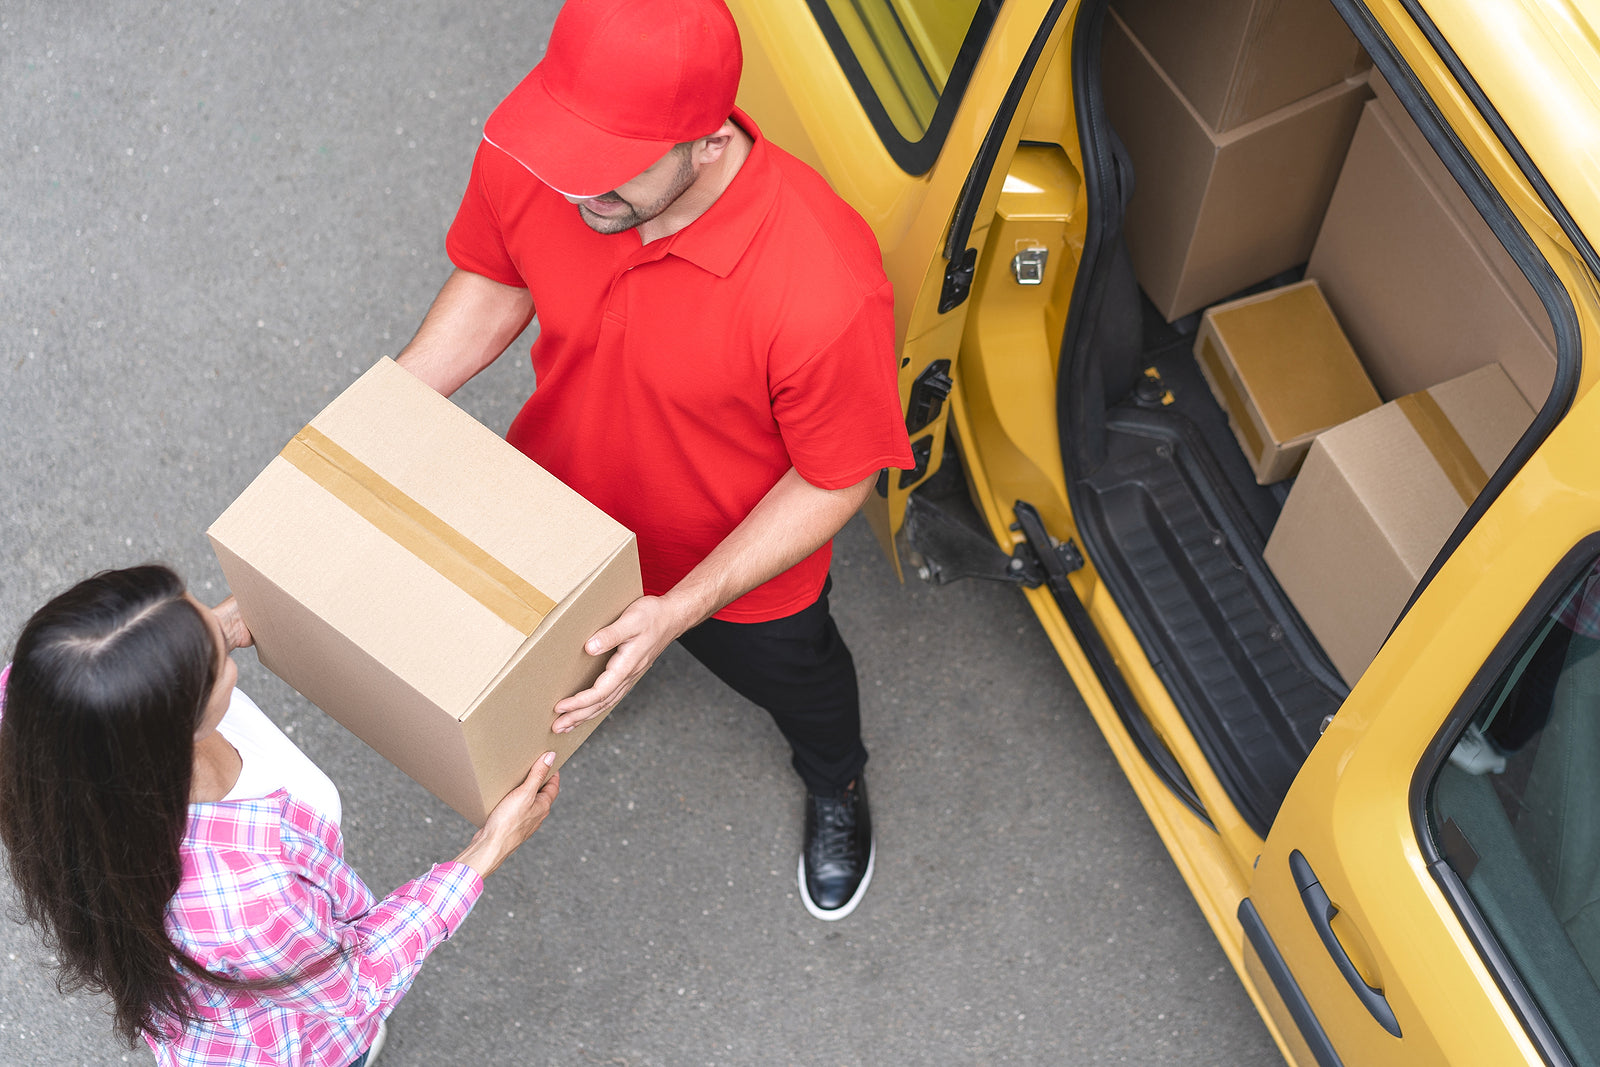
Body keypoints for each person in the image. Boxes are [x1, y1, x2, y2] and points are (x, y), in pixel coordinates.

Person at [395, 0, 913, 921]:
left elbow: (836, 474)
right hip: (562, 520)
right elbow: (496, 277)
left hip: (730, 578)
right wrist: (380, 416)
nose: (576, 187)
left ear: (709, 139)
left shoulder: (825, 283)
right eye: (569, 152)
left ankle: (837, 783)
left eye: (611, 168)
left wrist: (680, 609)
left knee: (806, 686)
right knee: (580, 664)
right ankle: (618, 666)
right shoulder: (549, 160)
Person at [0, 565, 561, 1065]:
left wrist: (197, 640)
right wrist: (487, 850)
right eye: (215, 661)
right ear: (175, 726)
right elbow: (353, 986)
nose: (223, 633)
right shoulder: (248, 899)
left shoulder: (40, 702)